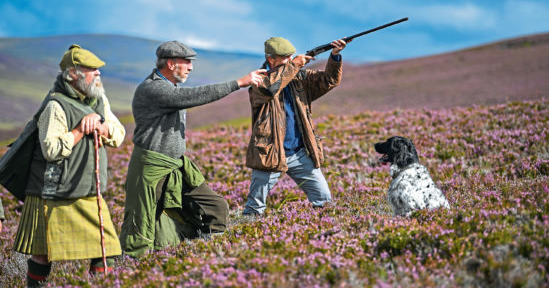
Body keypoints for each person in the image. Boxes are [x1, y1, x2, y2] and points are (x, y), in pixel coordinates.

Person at [120, 40, 266, 258]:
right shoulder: (152, 89)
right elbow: (192, 96)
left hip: (176, 165)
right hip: (152, 167)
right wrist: (239, 82)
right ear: (170, 64)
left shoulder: (169, 88)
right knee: (141, 224)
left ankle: (203, 256)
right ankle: (128, 269)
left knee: (215, 208)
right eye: (186, 62)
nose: (191, 67)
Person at [12, 45, 125, 286]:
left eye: (98, 69)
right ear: (73, 74)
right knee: (43, 254)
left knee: (106, 249)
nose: (98, 74)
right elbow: (51, 150)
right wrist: (78, 130)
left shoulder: (99, 101)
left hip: (87, 190)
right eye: (91, 69)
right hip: (51, 192)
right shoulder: (55, 106)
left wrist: (100, 125)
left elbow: (118, 135)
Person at [243, 36, 345, 216]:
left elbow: (329, 80)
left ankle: (318, 235)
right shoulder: (258, 81)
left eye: (291, 56)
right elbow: (270, 89)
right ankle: (245, 239)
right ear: (270, 59)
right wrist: (295, 65)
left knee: (323, 199)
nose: (290, 60)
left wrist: (335, 56)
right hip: (270, 153)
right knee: (255, 207)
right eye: (284, 57)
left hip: (299, 152)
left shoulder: (298, 77)